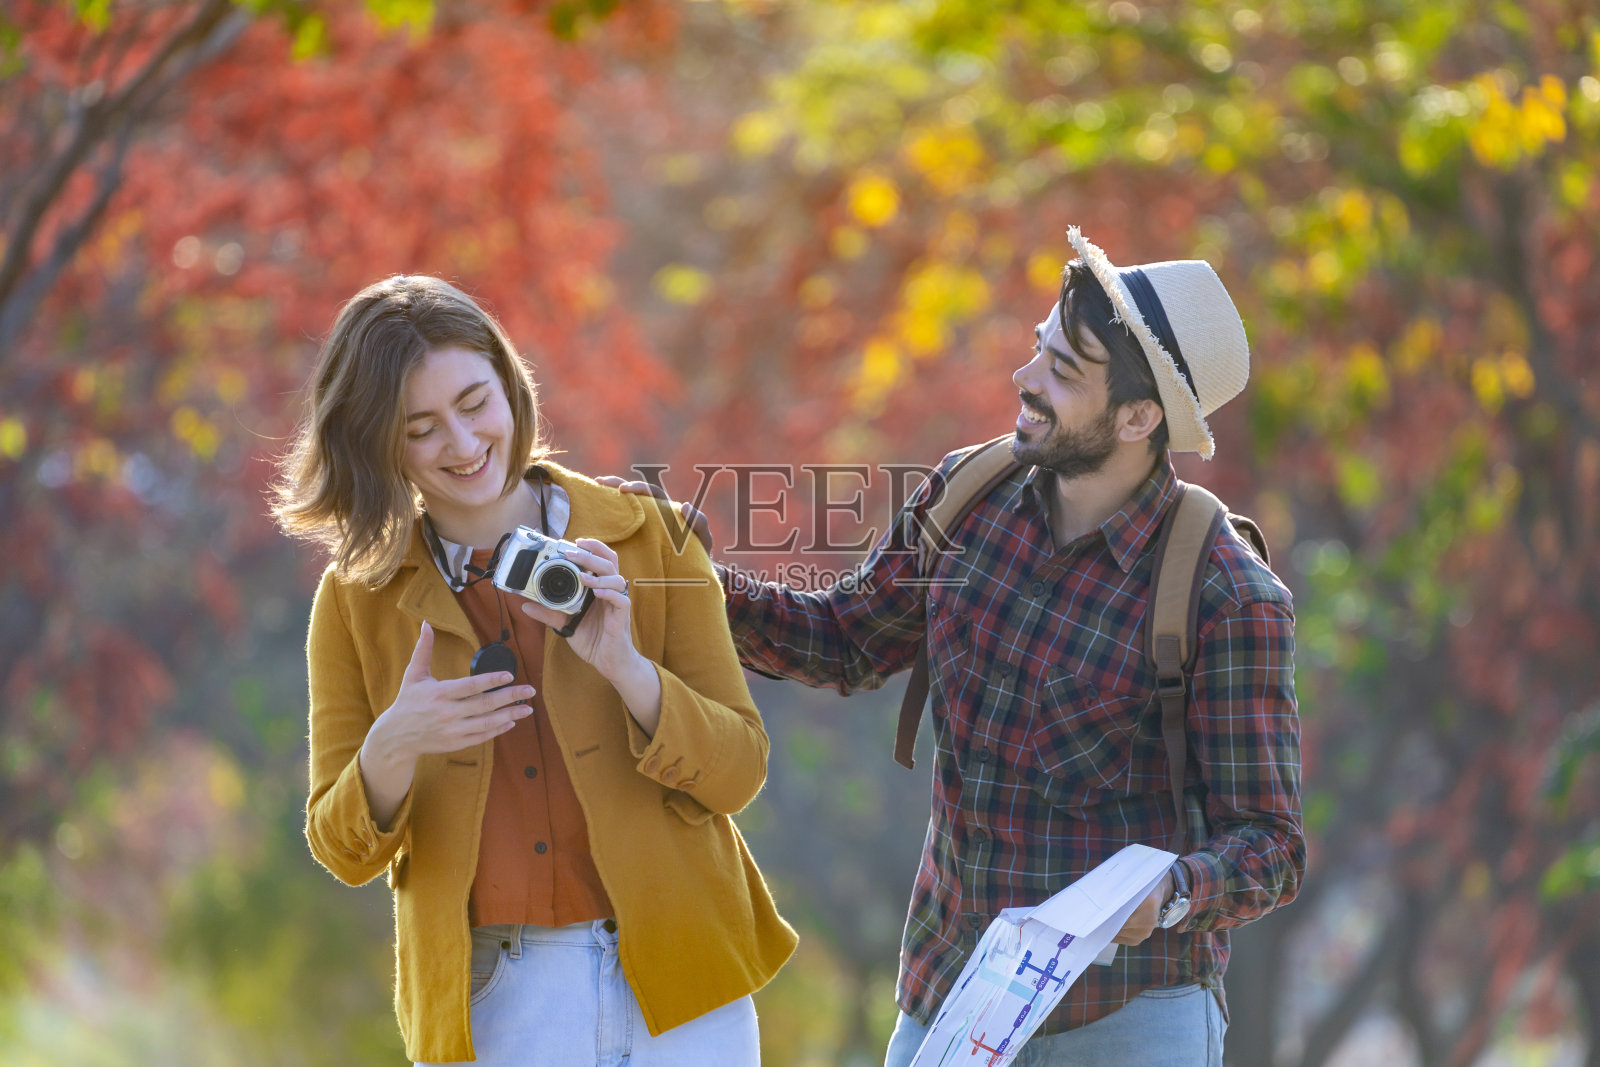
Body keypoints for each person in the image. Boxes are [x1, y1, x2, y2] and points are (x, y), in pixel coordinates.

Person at [633, 228, 1304, 1066]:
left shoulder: (1227, 596)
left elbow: (1270, 846)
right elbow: (847, 639)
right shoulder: (966, 497)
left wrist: (1172, 893)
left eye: (1062, 372)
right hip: (950, 998)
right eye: (1039, 351)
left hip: (1126, 1023)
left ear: (1139, 417)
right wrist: (695, 582)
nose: (1024, 381)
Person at [272, 275, 796, 1065]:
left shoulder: (651, 539)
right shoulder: (356, 601)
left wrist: (627, 668)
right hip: (498, 999)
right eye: (421, 428)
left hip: (687, 978)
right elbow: (344, 850)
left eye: (474, 401)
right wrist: (395, 744)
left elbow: (739, 774)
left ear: (510, 383)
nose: (462, 442)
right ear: (380, 442)